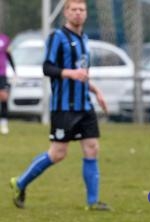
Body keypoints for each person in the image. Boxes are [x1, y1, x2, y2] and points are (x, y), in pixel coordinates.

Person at [9, 0, 110, 211]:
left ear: (86, 13)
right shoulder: (57, 37)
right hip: (64, 107)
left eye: (81, 10)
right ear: (66, 13)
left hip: (84, 105)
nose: (78, 13)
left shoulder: (84, 39)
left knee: (92, 148)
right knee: (58, 153)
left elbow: (81, 74)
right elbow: (47, 67)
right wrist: (69, 73)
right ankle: (20, 183)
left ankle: (93, 202)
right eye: (73, 9)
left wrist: (96, 90)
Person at [0, 32, 16, 135]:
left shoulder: (5, 39)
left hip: (2, 73)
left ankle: (4, 124)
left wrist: (15, 70)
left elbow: (9, 55)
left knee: (4, 98)